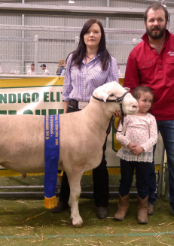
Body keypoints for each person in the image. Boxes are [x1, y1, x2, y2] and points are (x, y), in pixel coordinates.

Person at [124, 3, 174, 224]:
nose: (155, 23)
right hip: (146, 119)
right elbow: (131, 86)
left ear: (166, 21)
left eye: (159, 19)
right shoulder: (136, 53)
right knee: (146, 161)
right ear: (145, 23)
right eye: (151, 20)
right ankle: (147, 201)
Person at [51, 18, 119, 219]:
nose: (91, 35)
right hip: (73, 111)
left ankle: (101, 203)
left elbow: (113, 90)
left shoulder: (109, 61)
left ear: (101, 35)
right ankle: (64, 200)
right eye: (88, 32)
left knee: (99, 159)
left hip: (97, 116)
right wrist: (64, 115)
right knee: (68, 158)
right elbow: (66, 89)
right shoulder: (73, 58)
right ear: (83, 35)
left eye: (96, 32)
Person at [114, 86, 157, 224]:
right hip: (127, 155)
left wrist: (142, 148)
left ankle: (142, 209)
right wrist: (129, 144)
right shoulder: (127, 117)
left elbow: (154, 138)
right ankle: (122, 206)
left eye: (150, 101)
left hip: (143, 157)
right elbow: (119, 134)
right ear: (135, 100)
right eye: (144, 100)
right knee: (125, 181)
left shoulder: (151, 119)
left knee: (143, 182)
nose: (148, 103)